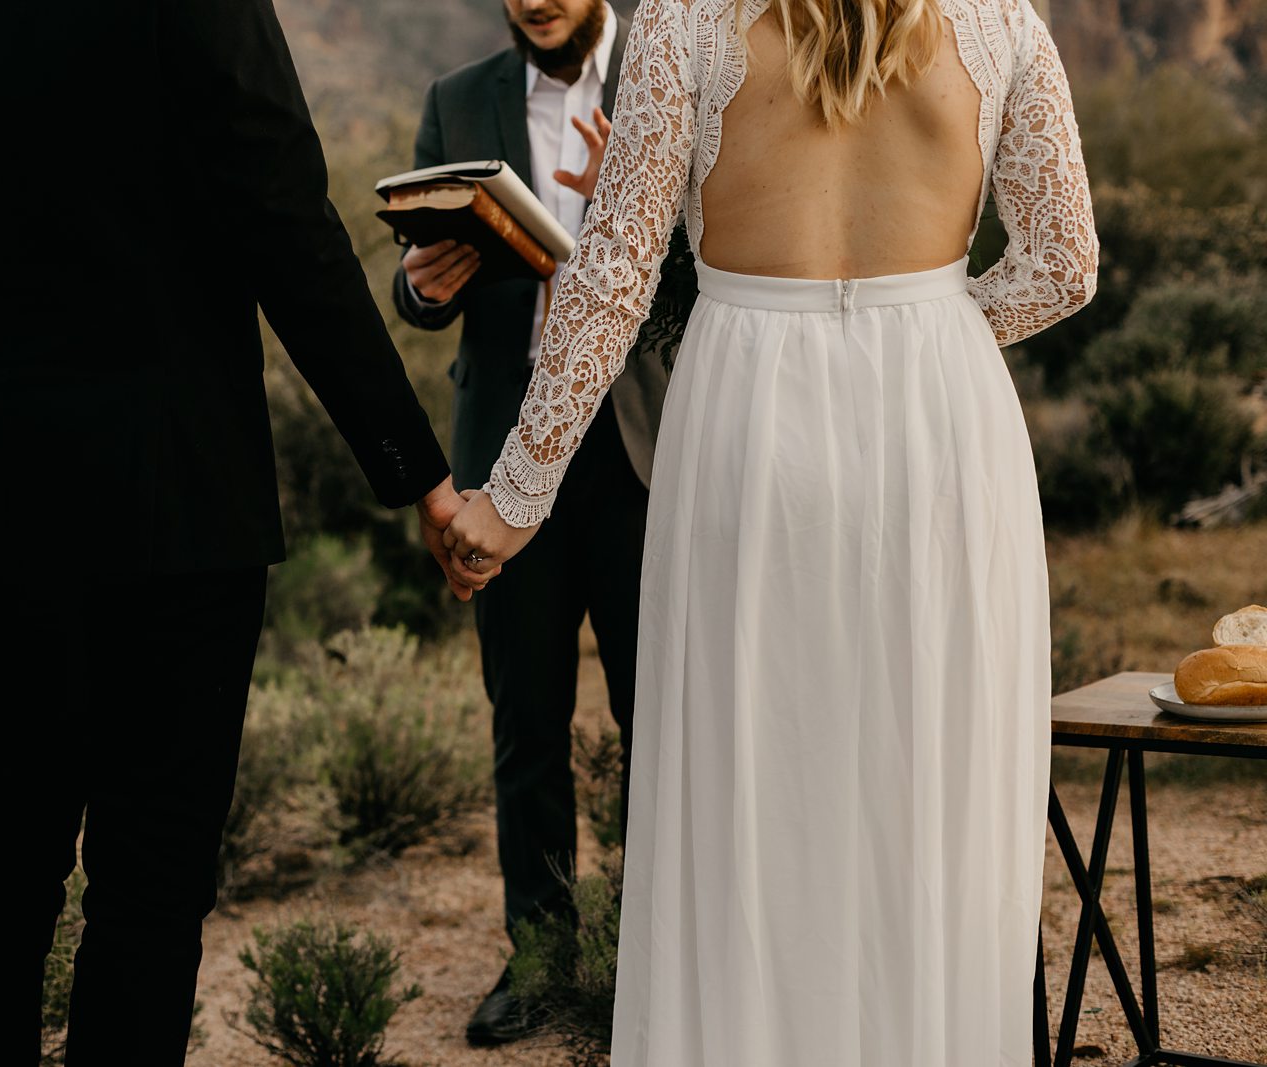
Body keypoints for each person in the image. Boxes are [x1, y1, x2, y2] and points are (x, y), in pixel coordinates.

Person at [443, 0, 1098, 1061]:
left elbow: (609, 280)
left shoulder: (682, 22)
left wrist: (513, 496)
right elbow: (1064, 262)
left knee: (750, 790)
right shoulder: (1000, 22)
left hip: (747, 411)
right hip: (942, 425)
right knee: (925, 794)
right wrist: (929, 334)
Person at [0, 0, 484, 1062]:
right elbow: (286, 222)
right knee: (148, 884)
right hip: (180, 496)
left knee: (0, 867)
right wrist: (415, 470)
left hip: (5, 492)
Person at [392, 0, 671, 1046]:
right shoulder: (454, 101)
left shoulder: (664, 71)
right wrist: (418, 287)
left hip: (643, 450)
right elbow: (420, 277)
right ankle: (544, 952)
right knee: (525, 721)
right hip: (506, 458)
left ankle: (656, 949)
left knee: (663, 715)